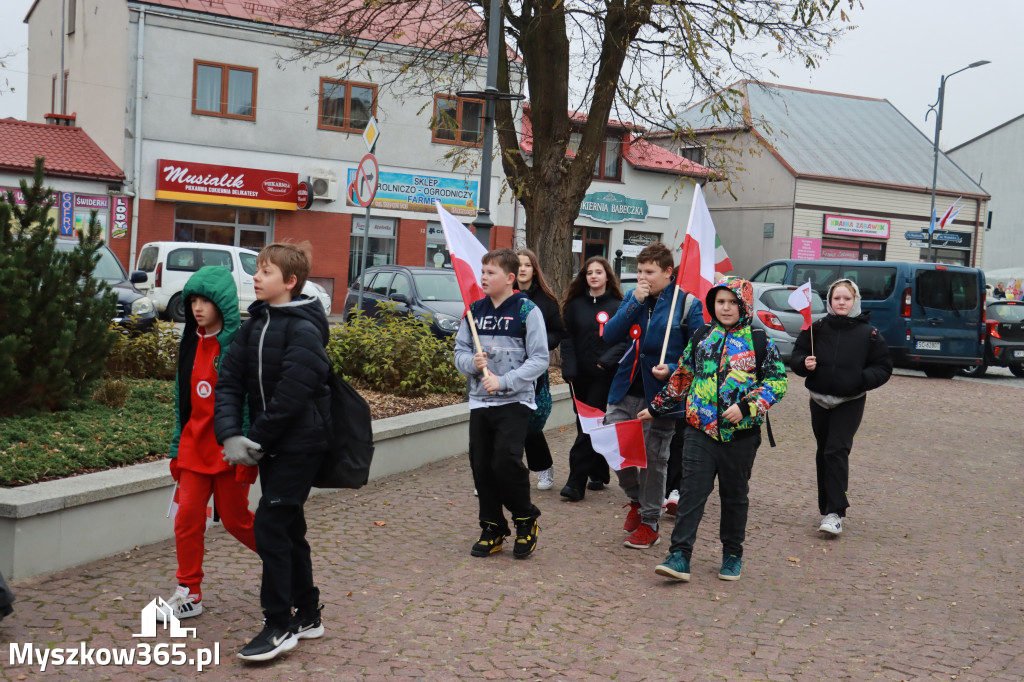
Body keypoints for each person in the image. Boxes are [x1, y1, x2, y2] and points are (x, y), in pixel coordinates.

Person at [214, 242, 332, 662]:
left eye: (265, 271)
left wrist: (257, 438)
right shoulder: (255, 325)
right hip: (269, 446)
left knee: (270, 523)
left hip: (300, 444)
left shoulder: (304, 328)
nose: (256, 277)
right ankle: (310, 613)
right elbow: (229, 381)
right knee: (288, 527)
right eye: (257, 270)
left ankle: (279, 624)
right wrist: (230, 434)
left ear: (290, 281)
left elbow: (293, 394)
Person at [644, 277, 788, 583]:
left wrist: (748, 407)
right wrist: (657, 407)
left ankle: (732, 554)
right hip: (699, 430)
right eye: (720, 302)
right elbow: (682, 376)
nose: (725, 308)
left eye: (732, 302)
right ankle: (679, 555)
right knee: (692, 494)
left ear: (744, 305)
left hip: (741, 437)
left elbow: (777, 382)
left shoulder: (760, 340)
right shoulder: (701, 336)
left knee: (734, 496)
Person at [162, 266, 257, 623]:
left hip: (228, 452)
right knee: (186, 519)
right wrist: (176, 449)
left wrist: (247, 451)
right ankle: (189, 592)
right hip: (192, 451)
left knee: (237, 521)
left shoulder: (238, 345)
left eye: (206, 300)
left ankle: (286, 565)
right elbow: (181, 401)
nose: (198, 308)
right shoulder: (190, 341)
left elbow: (247, 401)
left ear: (224, 304)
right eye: (193, 301)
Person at [602, 242, 704, 549]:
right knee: (613, 449)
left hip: (661, 395)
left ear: (668, 272)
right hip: (624, 388)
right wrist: (634, 302)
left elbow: (699, 352)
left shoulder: (687, 304)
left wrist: (672, 368)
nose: (642, 277)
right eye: (640, 271)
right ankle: (637, 499)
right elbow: (609, 335)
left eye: (649, 272)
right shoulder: (635, 297)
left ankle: (649, 522)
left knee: (653, 460)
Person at [454, 248, 550, 559]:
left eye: (490, 273)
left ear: (510, 278)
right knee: (481, 466)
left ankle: (525, 520)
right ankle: (493, 527)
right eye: (482, 272)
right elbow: (459, 353)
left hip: (516, 400)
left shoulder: (527, 311)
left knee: (505, 461)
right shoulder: (473, 311)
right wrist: (472, 361)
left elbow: (540, 359)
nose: (483, 277)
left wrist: (505, 381)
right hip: (481, 403)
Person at [790, 278, 892, 536]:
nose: (842, 303)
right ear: (830, 302)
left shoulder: (869, 334)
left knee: (836, 450)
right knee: (824, 452)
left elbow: (883, 368)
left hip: (850, 401)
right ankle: (827, 509)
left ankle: (836, 513)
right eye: (837, 298)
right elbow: (797, 356)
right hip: (819, 399)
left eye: (847, 298)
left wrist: (861, 379)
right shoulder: (816, 328)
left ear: (855, 301)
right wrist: (805, 363)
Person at [558, 256, 623, 501]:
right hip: (579, 376)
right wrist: (569, 368)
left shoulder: (618, 305)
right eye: (589, 273)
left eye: (598, 272)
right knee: (583, 424)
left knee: (590, 425)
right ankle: (598, 470)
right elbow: (568, 339)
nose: (593, 276)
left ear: (607, 276)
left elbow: (626, 340)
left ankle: (576, 483)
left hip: (604, 375)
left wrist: (606, 360)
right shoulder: (575, 305)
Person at [516, 249, 566, 491]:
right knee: (505, 422)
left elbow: (558, 331)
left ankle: (544, 467)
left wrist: (540, 342)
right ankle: (501, 473)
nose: (522, 269)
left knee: (530, 423)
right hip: (505, 369)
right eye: (518, 265)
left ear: (535, 270)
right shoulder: (504, 297)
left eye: (527, 265)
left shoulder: (546, 301)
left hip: (533, 370)